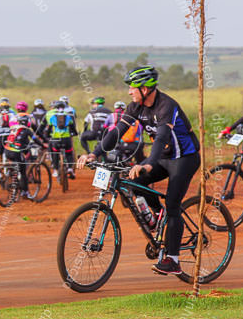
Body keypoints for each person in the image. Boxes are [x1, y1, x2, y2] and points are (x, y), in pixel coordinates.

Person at [79, 65, 200, 276]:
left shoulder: (166, 106)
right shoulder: (135, 107)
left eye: (133, 87)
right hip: (163, 157)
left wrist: (148, 163)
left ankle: (173, 260)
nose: (129, 91)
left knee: (172, 204)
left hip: (185, 158)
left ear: (146, 89)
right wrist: (94, 154)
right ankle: (154, 215)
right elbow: (117, 131)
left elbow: (161, 138)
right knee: (135, 183)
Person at [4, 113, 44, 198]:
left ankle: (10, 176)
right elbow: (35, 139)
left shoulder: (13, 128)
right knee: (23, 172)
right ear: (27, 122)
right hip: (16, 152)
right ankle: (25, 192)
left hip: (7, 150)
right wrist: (43, 145)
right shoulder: (27, 130)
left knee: (14, 165)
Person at [39, 100, 78, 178]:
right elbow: (73, 127)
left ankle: (56, 170)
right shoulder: (68, 116)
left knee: (55, 153)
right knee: (69, 153)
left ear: (55, 108)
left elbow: (48, 129)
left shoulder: (53, 117)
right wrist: (75, 133)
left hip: (56, 139)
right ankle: (70, 168)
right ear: (64, 107)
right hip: (66, 139)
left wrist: (46, 137)